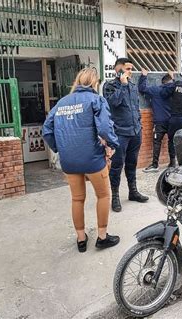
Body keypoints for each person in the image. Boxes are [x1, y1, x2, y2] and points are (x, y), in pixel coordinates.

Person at [43, 68, 120, 253]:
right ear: (95, 83)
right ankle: (102, 237)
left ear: (77, 81)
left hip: (69, 161)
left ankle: (81, 239)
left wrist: (60, 148)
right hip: (92, 158)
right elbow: (104, 128)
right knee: (103, 195)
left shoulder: (61, 103)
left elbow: (46, 130)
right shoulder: (96, 100)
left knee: (77, 199)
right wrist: (113, 144)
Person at [103, 58, 149, 212]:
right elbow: (112, 104)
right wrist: (122, 85)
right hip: (120, 133)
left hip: (135, 131)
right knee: (116, 166)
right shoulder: (109, 86)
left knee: (132, 163)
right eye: (128, 68)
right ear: (119, 69)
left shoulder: (133, 85)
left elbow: (135, 107)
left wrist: (139, 123)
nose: (131, 71)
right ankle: (115, 196)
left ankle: (133, 192)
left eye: (131, 68)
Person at [138, 68, 175, 172]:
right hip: (172, 121)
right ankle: (172, 163)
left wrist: (144, 75)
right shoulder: (175, 90)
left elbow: (142, 88)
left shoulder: (155, 90)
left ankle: (155, 165)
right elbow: (176, 85)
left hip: (159, 122)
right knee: (172, 141)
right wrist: (173, 77)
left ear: (162, 82)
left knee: (157, 142)